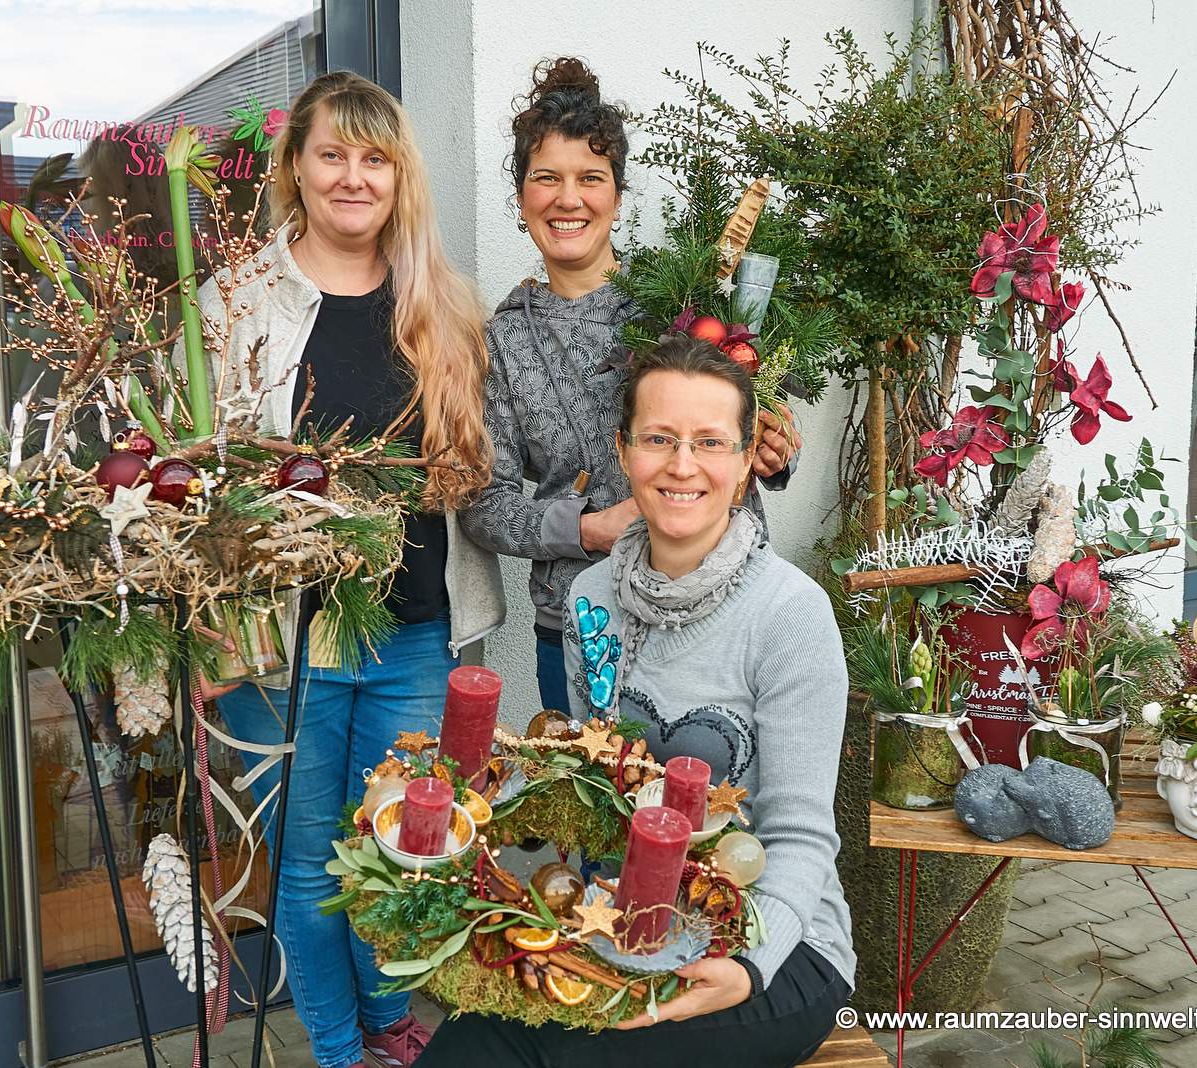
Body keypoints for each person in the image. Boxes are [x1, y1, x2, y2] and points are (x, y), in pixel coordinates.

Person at [186, 71, 505, 1068]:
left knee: (400, 862)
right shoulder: (234, 303)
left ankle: (385, 1027)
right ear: (296, 168)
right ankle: (338, 1047)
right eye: (333, 154)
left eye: (375, 158)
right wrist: (206, 632)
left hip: (413, 633)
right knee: (309, 875)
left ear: (398, 174)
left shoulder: (445, 306)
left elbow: (482, 471)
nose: (353, 177)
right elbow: (184, 488)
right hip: (282, 647)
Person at [422, 335, 853, 1067]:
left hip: (775, 956)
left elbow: (803, 835)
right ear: (624, 453)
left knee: (501, 1053)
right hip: (637, 928)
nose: (682, 465)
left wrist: (747, 969)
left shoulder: (790, 616)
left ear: (748, 462)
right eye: (659, 439)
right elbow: (601, 794)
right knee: (473, 1033)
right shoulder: (593, 600)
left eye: (710, 442)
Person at [459, 58, 802, 716]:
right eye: (546, 179)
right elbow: (484, 506)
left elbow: (746, 423)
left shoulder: (683, 298)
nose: (569, 199)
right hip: (580, 620)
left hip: (716, 602)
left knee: (715, 805)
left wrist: (774, 449)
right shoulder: (501, 341)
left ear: (616, 193)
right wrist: (588, 529)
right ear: (522, 196)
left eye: (591, 178)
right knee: (598, 803)